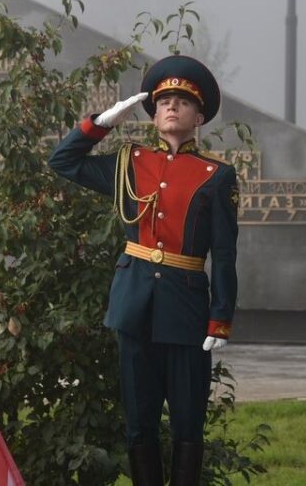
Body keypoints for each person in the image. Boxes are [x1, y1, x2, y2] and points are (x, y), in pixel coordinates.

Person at [49, 54, 239, 486]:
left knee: (188, 424)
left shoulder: (217, 176)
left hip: (188, 313)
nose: (171, 107)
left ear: (198, 117)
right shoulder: (128, 163)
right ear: (153, 115)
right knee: (140, 425)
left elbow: (225, 254)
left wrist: (221, 317)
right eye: (164, 101)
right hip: (134, 308)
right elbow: (63, 162)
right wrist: (101, 123)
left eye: (182, 102)